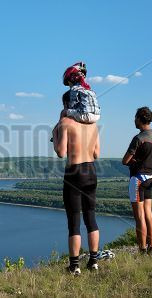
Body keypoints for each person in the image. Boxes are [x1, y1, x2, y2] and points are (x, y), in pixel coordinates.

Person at [52, 115, 101, 275]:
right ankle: (93, 262)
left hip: (74, 171)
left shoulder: (65, 122)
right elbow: (96, 153)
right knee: (90, 217)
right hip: (91, 170)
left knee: (74, 221)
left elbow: (61, 152)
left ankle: (74, 266)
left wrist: (55, 132)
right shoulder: (92, 123)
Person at [122, 107, 152, 254]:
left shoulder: (138, 138)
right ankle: (151, 247)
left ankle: (142, 249)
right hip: (150, 178)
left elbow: (125, 160)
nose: (134, 120)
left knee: (139, 217)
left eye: (135, 117)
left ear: (140, 118)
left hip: (137, 179)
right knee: (149, 214)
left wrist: (134, 161)